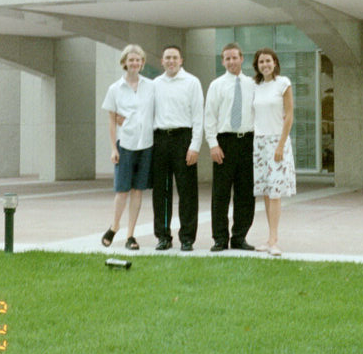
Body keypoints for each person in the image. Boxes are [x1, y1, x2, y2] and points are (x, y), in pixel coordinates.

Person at [100, 44, 154, 250]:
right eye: (131, 60)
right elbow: (112, 120)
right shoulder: (115, 89)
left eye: (138, 60)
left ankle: (131, 235)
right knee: (122, 190)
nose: (134, 63)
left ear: (142, 63)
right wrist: (114, 148)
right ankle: (114, 226)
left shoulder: (151, 86)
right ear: (124, 63)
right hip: (126, 144)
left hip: (146, 144)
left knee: (138, 190)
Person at [152, 45, 204, 251]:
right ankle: (163, 236)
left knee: (187, 191)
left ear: (181, 60)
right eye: (167, 58)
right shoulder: (155, 84)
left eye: (175, 57)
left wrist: (195, 146)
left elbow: (198, 116)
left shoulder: (192, 82)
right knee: (161, 192)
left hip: (184, 139)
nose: (171, 61)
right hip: (160, 140)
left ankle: (187, 238)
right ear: (162, 61)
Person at [204, 42, 255, 251]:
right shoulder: (216, 85)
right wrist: (213, 144)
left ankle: (239, 237)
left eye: (235, 57)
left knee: (245, 192)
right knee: (221, 193)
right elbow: (210, 117)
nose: (231, 61)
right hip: (224, 142)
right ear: (222, 61)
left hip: (247, 142)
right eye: (227, 58)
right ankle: (220, 238)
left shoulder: (253, 84)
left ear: (242, 59)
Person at [252, 47, 296, 256]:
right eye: (261, 62)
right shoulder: (255, 86)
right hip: (259, 142)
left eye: (268, 61)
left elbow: (289, 115)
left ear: (275, 63)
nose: (265, 65)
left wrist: (280, 145)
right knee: (266, 192)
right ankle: (269, 238)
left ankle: (275, 240)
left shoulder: (283, 83)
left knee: (276, 192)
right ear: (257, 65)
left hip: (277, 142)